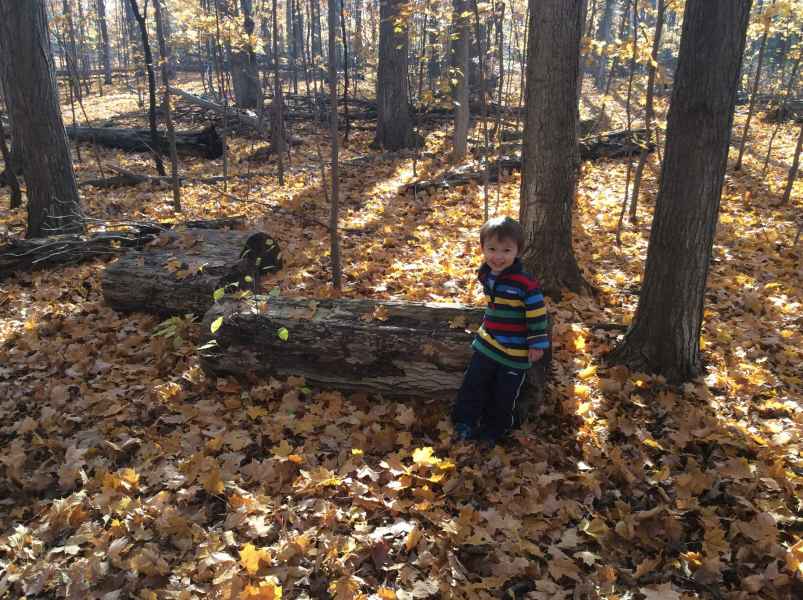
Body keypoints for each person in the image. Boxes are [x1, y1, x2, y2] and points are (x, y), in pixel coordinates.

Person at [452, 216, 549, 445]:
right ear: (483, 248)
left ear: (518, 251)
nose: (498, 256)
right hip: (488, 343)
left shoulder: (524, 284)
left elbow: (536, 312)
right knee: (473, 383)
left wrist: (537, 342)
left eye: (506, 250)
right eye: (492, 249)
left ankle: (493, 431)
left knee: (504, 394)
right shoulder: (487, 274)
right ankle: (465, 421)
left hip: (515, 351)